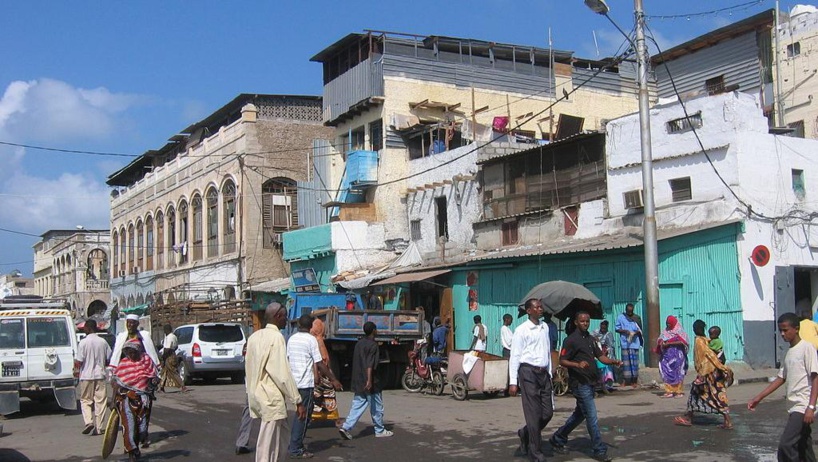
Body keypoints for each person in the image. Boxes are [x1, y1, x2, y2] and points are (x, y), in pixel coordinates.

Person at [550, 312, 622, 462]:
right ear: (576, 322)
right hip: (579, 383)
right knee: (591, 416)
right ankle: (599, 449)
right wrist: (577, 364)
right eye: (582, 321)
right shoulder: (570, 340)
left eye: (587, 321)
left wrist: (613, 361)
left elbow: (600, 357)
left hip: (590, 382)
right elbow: (562, 360)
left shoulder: (591, 339)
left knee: (580, 414)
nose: (585, 324)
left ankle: (558, 437)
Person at [749, 312, 818, 462]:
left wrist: (811, 407)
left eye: (785, 330)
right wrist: (758, 397)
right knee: (804, 446)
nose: (782, 334)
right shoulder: (789, 352)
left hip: (803, 405)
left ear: (796, 329)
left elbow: (815, 378)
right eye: (780, 330)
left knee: (786, 446)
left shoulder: (807, 348)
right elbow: (781, 378)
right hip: (793, 405)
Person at [245, 302, 307, 462]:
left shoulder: (254, 337)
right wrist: (297, 400)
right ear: (278, 316)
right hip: (271, 397)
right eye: (285, 316)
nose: (287, 320)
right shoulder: (276, 337)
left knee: (282, 436)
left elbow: (249, 368)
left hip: (259, 394)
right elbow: (282, 373)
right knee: (268, 442)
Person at [287, 315, 342, 459]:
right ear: (311, 326)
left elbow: (288, 359)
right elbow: (319, 363)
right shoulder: (311, 340)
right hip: (305, 383)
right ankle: (296, 448)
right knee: (303, 416)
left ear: (299, 325)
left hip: (293, 382)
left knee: (301, 413)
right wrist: (333, 379)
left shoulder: (292, 339)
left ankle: (294, 444)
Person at [508, 299, 554, 462]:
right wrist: (513, 382)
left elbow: (547, 351)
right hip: (528, 372)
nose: (540, 309)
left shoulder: (545, 327)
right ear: (529, 311)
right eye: (537, 307)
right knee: (533, 414)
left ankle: (526, 432)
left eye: (541, 307)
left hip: (543, 373)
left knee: (547, 413)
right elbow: (515, 356)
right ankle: (536, 453)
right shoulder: (521, 330)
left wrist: (550, 372)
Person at [109, 314, 160, 448]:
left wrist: (152, 376)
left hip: (144, 376)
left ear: (137, 324)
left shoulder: (144, 338)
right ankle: (129, 441)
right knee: (126, 414)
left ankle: (143, 434)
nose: (130, 325)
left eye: (133, 323)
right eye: (128, 323)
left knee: (145, 409)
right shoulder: (121, 337)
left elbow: (151, 354)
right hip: (125, 375)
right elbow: (116, 355)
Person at [673, 319, 733, 430]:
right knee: (700, 393)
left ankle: (727, 420)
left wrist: (702, 373)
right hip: (712, 372)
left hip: (708, 373)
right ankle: (689, 417)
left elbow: (705, 357)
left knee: (715, 395)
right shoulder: (706, 340)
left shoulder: (699, 341)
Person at [338, 321, 393, 440]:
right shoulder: (373, 345)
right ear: (373, 331)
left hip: (358, 380)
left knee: (357, 405)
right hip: (371, 381)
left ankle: (346, 427)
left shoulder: (359, 344)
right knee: (376, 407)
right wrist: (369, 380)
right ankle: (379, 430)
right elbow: (370, 364)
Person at [112, 340, 159, 462]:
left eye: (134, 352)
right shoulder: (124, 363)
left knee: (142, 428)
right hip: (127, 398)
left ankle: (136, 447)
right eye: (129, 353)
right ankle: (131, 452)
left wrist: (153, 383)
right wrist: (113, 401)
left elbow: (154, 377)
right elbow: (116, 383)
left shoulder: (146, 360)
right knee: (129, 426)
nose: (132, 355)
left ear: (139, 351)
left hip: (144, 399)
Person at [75, 319, 111, 436]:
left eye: (85, 328)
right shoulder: (103, 342)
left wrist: (76, 372)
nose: (84, 330)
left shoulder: (83, 343)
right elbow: (108, 358)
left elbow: (79, 361)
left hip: (86, 376)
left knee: (86, 400)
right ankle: (99, 427)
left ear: (89, 328)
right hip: (100, 375)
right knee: (100, 401)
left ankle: (89, 422)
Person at [656, 315, 689, 398]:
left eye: (669, 323)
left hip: (678, 356)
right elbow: (660, 339)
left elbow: (683, 342)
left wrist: (670, 343)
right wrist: (661, 343)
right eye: (667, 323)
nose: (668, 325)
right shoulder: (665, 331)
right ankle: (669, 391)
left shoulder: (680, 331)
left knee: (678, 372)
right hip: (666, 356)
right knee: (666, 371)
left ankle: (678, 391)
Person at [615, 303, 642, 388]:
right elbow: (617, 329)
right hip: (625, 343)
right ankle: (626, 380)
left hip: (634, 344)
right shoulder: (621, 317)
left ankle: (634, 381)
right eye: (628, 311)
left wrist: (634, 333)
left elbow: (640, 330)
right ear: (626, 310)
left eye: (631, 311)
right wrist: (625, 331)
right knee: (626, 363)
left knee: (634, 363)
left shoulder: (636, 318)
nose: (630, 313)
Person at [158, 323, 187, 393]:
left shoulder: (169, 337)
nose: (164, 331)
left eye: (164, 330)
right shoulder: (174, 336)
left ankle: (183, 386)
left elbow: (167, 349)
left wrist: (163, 357)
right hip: (173, 354)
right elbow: (176, 346)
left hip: (169, 356)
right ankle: (161, 387)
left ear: (166, 330)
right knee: (164, 372)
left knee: (173, 372)